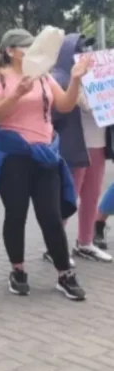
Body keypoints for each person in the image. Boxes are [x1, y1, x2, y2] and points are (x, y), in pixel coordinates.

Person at [0, 28, 90, 301]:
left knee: (50, 215)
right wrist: (16, 94)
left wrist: (74, 80)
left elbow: (64, 105)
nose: (31, 50)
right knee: (16, 214)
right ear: (11, 51)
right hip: (13, 156)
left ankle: (65, 274)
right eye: (26, 46)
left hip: (45, 155)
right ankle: (18, 270)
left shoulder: (43, 76)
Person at [51, 34, 112, 262]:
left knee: (92, 195)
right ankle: (54, 246)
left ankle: (85, 242)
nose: (87, 53)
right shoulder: (62, 78)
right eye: (81, 49)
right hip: (75, 146)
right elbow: (85, 104)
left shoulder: (101, 75)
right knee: (69, 196)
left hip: (97, 143)